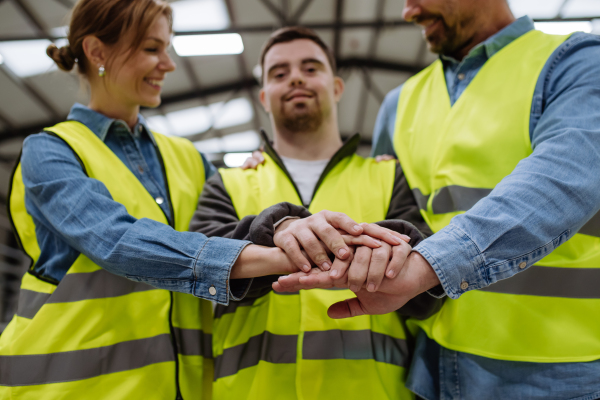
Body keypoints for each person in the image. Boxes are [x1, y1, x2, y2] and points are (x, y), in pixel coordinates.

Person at [0, 2, 365, 398]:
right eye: (152, 49)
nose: (168, 64)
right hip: (72, 388)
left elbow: (233, 225)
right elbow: (118, 242)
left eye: (167, 49)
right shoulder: (50, 152)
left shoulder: (188, 157)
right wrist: (289, 257)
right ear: (97, 52)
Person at [276, 0, 600, 399]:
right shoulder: (400, 103)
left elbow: (563, 179)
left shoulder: (576, 62)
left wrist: (431, 264)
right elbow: (382, 206)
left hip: (558, 363)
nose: (407, 13)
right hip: (431, 361)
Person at [189, 26, 440, 400]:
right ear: (263, 97)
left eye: (310, 68)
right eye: (279, 73)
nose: (295, 78)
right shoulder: (225, 184)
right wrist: (277, 229)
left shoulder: (390, 176)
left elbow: (425, 285)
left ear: (336, 87)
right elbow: (200, 270)